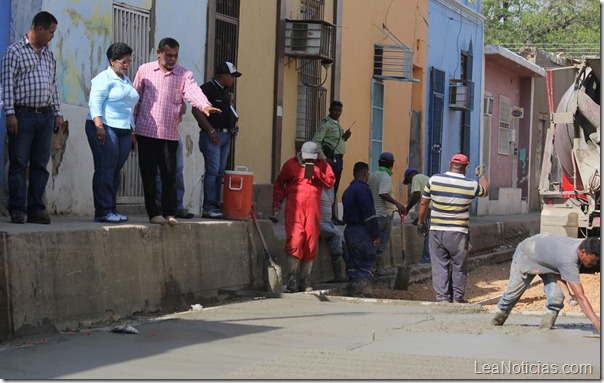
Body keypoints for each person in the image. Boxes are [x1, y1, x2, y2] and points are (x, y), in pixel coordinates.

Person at [133, 37, 220, 226]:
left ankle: (169, 212)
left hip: (169, 133)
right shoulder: (144, 70)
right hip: (146, 131)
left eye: (175, 55)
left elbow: (193, 91)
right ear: (159, 53)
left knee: (170, 174)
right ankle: (153, 213)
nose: (172, 59)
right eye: (168, 55)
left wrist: (205, 106)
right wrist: (132, 128)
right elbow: (135, 99)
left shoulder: (183, 74)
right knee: (148, 174)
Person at [1, 11, 62, 224]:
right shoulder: (14, 52)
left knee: (40, 163)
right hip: (23, 114)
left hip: (45, 116)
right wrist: (10, 113)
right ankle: (17, 208)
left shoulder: (48, 54)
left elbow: (53, 85)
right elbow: (6, 85)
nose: (53, 36)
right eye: (51, 32)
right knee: (18, 162)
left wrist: (57, 113)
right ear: (39, 29)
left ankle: (36, 208)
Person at [417, 154, 489, 303]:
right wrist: (482, 176)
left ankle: (442, 298)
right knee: (459, 266)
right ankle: (458, 298)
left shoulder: (434, 180)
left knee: (439, 265)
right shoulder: (471, 185)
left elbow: (424, 203)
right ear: (467, 167)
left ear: (449, 164)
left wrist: (421, 222)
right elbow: (486, 192)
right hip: (458, 233)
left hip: (437, 230)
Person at [492, 234, 600, 332]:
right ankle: (495, 323)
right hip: (527, 254)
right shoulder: (568, 259)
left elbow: (558, 270)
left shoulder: (584, 244)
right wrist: (596, 322)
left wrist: (567, 295)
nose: (595, 263)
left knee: (556, 297)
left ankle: (545, 329)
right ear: (583, 252)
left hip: (548, 261)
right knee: (511, 296)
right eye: (593, 260)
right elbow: (580, 297)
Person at [86, 43, 139, 223]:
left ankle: (111, 208)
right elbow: (95, 103)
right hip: (105, 125)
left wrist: (132, 131)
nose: (126, 65)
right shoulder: (103, 78)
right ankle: (103, 211)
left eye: (128, 61)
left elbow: (129, 107)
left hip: (124, 128)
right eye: (123, 62)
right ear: (112, 61)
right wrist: (99, 126)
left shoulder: (126, 80)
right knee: (105, 167)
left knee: (115, 169)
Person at [272, 141, 335, 293]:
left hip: (313, 208)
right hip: (295, 208)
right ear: (301, 153)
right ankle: (291, 279)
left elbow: (330, 182)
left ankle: (305, 280)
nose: (309, 161)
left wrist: (316, 173)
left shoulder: (323, 165)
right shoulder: (290, 165)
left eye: (312, 159)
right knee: (295, 240)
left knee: (311, 242)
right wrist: (277, 203)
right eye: (307, 158)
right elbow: (280, 184)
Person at [195, 62, 242, 219]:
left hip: (225, 136)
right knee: (213, 171)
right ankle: (209, 207)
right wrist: (210, 130)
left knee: (220, 173)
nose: (233, 80)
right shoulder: (207, 89)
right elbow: (196, 110)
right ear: (223, 76)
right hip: (212, 137)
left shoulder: (225, 92)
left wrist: (232, 128)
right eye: (232, 76)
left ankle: (215, 205)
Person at [341, 162, 381, 297]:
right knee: (367, 261)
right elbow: (369, 215)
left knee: (353, 262)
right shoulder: (363, 190)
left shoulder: (347, 191)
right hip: (361, 231)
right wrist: (375, 234)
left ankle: (359, 289)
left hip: (349, 230)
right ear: (364, 173)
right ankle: (359, 288)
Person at [311, 100, 351, 225]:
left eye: (340, 111)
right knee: (329, 187)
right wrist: (323, 158)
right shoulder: (325, 124)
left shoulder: (338, 124)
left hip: (338, 159)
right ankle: (327, 215)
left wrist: (345, 138)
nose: (337, 113)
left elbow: (335, 141)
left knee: (335, 187)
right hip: (330, 159)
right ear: (330, 110)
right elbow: (316, 141)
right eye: (335, 110)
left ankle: (332, 214)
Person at [368, 152, 406, 276]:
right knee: (382, 242)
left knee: (373, 241)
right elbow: (382, 193)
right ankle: (378, 269)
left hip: (373, 214)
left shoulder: (372, 175)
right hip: (384, 214)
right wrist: (398, 204)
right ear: (391, 164)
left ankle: (371, 268)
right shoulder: (385, 177)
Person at [155, 102, 194, 219]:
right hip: (155, 133)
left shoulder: (175, 84)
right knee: (159, 173)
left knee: (177, 170)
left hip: (174, 133)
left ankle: (178, 206)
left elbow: (183, 106)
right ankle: (161, 207)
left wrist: (182, 107)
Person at [319, 186, 348, 283]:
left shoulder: (330, 188)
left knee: (344, 239)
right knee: (337, 237)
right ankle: (338, 274)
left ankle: (351, 271)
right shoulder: (314, 182)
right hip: (318, 222)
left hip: (328, 222)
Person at [403, 168, 431, 264]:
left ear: (411, 175)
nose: (411, 184)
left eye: (409, 181)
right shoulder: (426, 178)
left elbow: (416, 196)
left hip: (431, 208)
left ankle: (426, 259)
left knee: (429, 234)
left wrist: (407, 209)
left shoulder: (416, 178)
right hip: (434, 208)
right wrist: (419, 218)